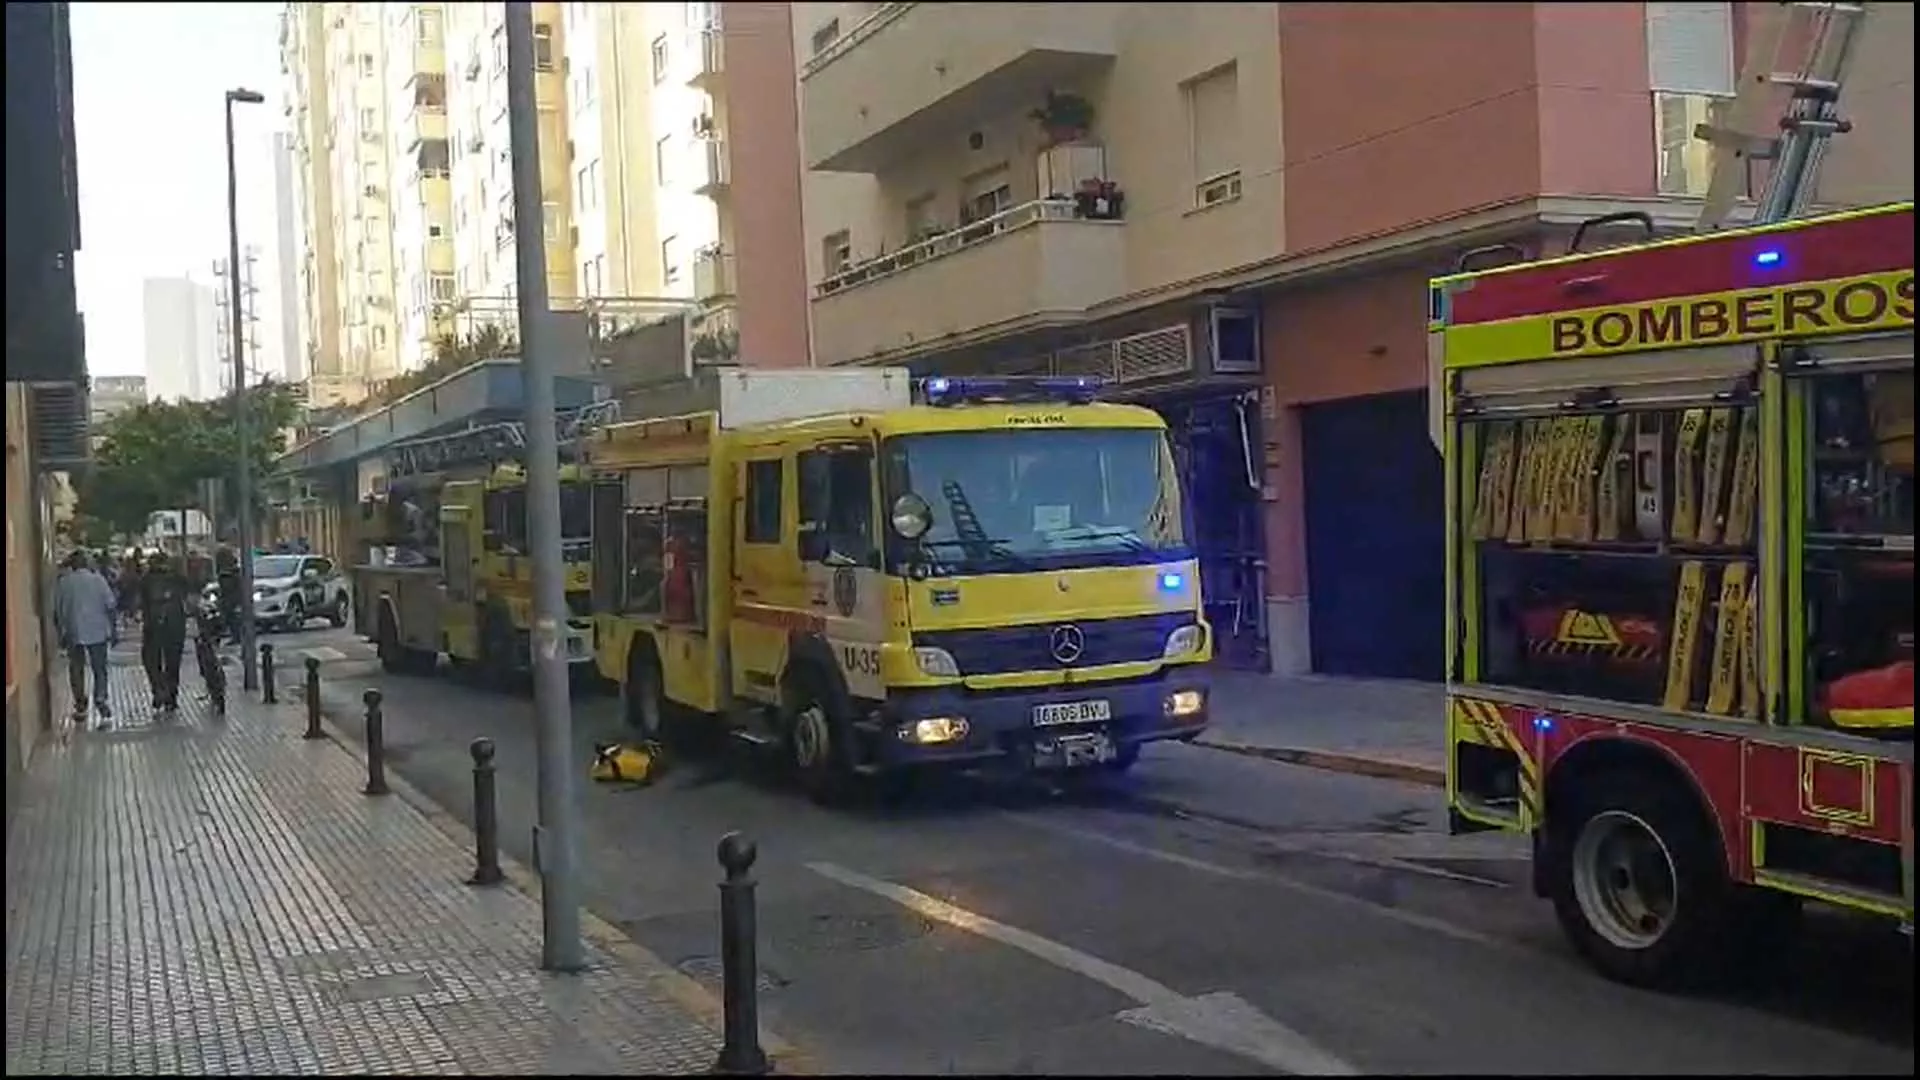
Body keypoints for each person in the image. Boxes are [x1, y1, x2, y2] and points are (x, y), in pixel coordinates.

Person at [52, 550, 119, 728]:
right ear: (87, 564)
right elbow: (110, 605)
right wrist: (113, 630)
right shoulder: (98, 580)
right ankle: (101, 698)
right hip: (97, 632)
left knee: (76, 669)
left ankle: (80, 703)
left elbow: (57, 611)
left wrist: (61, 633)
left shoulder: (64, 583)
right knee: (99, 668)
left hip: (73, 632)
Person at [139, 552, 193, 712]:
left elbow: (140, 602)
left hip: (153, 624)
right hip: (175, 624)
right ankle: (171, 694)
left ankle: (158, 688)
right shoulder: (177, 578)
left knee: (151, 659)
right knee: (173, 661)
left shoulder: (146, 580)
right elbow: (187, 595)